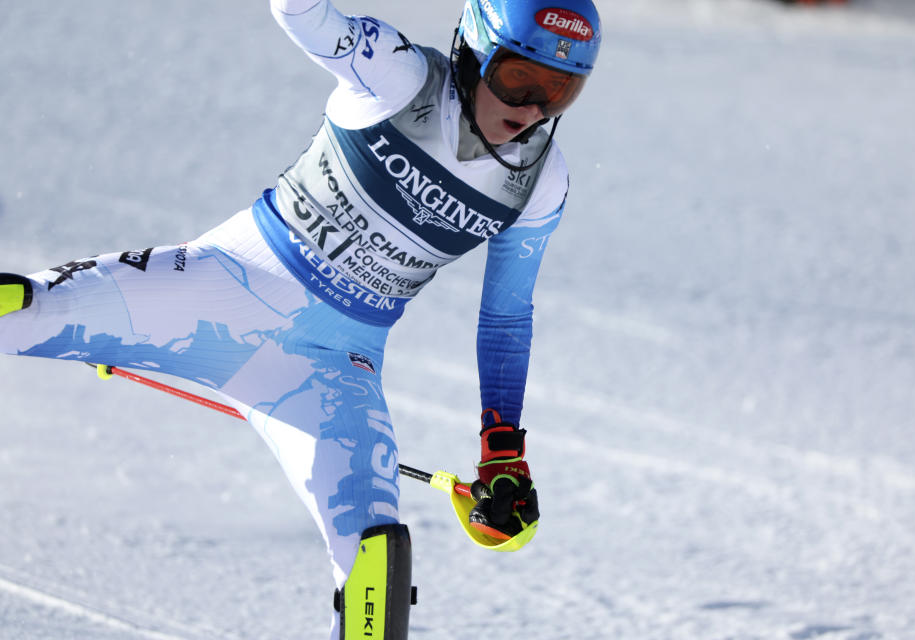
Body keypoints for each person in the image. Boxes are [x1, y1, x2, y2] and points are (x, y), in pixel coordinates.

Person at [0, 0, 602, 637]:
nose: (533, 109)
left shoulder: (540, 181)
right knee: (28, 308)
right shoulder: (396, 77)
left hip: (329, 373)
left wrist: (502, 448)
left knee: (377, 556)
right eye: (518, 79)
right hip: (210, 292)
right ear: (473, 50)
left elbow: (507, 317)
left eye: (559, 91)